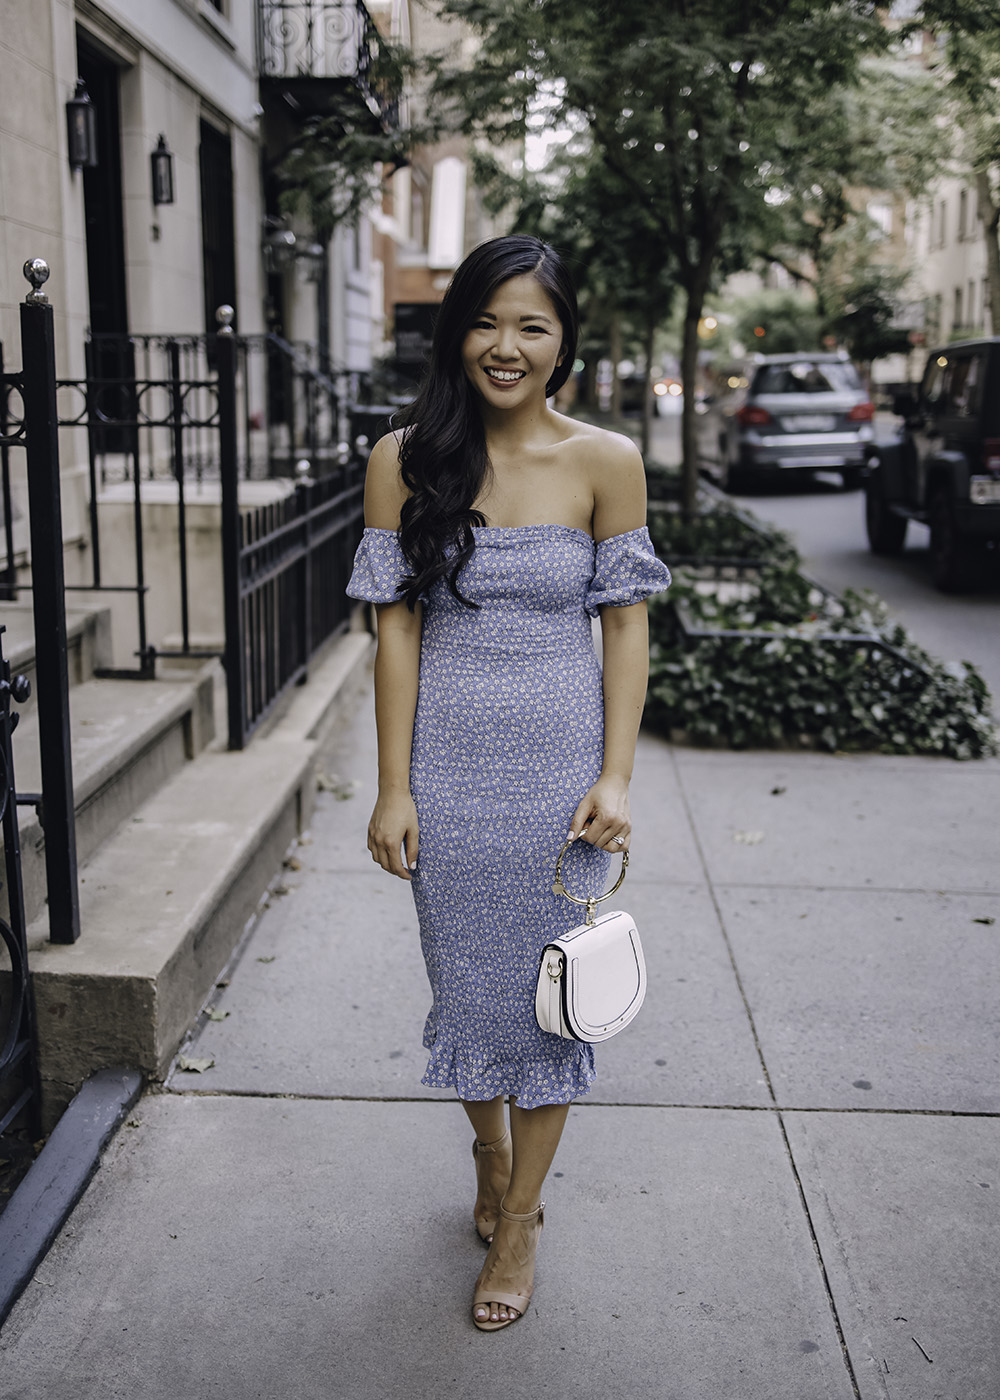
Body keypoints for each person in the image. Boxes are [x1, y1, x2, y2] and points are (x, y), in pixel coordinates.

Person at [346, 234, 671, 1331]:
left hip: (558, 781)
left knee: (548, 1006)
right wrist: (393, 787)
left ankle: (521, 1216)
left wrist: (617, 773)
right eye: (487, 320)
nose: (506, 344)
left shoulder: (605, 460)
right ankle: (488, 1157)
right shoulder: (404, 457)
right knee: (472, 990)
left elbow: (624, 626)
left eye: (531, 324)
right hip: (448, 773)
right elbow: (394, 633)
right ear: (457, 335)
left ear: (563, 341)